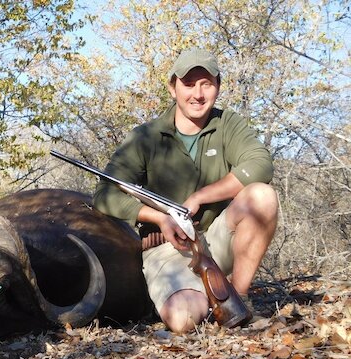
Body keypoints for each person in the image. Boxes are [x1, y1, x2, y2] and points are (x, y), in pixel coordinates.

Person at [93, 48, 278, 333]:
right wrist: (160, 218)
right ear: (173, 87)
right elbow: (105, 193)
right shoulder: (145, 137)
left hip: (216, 238)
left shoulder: (228, 123)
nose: (198, 94)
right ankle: (198, 294)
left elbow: (261, 164)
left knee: (262, 197)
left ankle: (238, 298)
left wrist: (199, 197)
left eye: (207, 84)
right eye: (189, 84)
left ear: (218, 86)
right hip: (168, 252)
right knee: (184, 320)